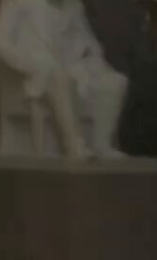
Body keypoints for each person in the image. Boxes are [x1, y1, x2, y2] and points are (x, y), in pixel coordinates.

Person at [0, 0, 127, 158]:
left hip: (73, 68)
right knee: (59, 77)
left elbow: (90, 43)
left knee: (115, 81)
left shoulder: (74, 5)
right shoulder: (18, 2)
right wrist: (29, 65)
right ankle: (75, 145)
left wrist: (95, 63)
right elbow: (2, 43)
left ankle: (102, 145)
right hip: (32, 73)